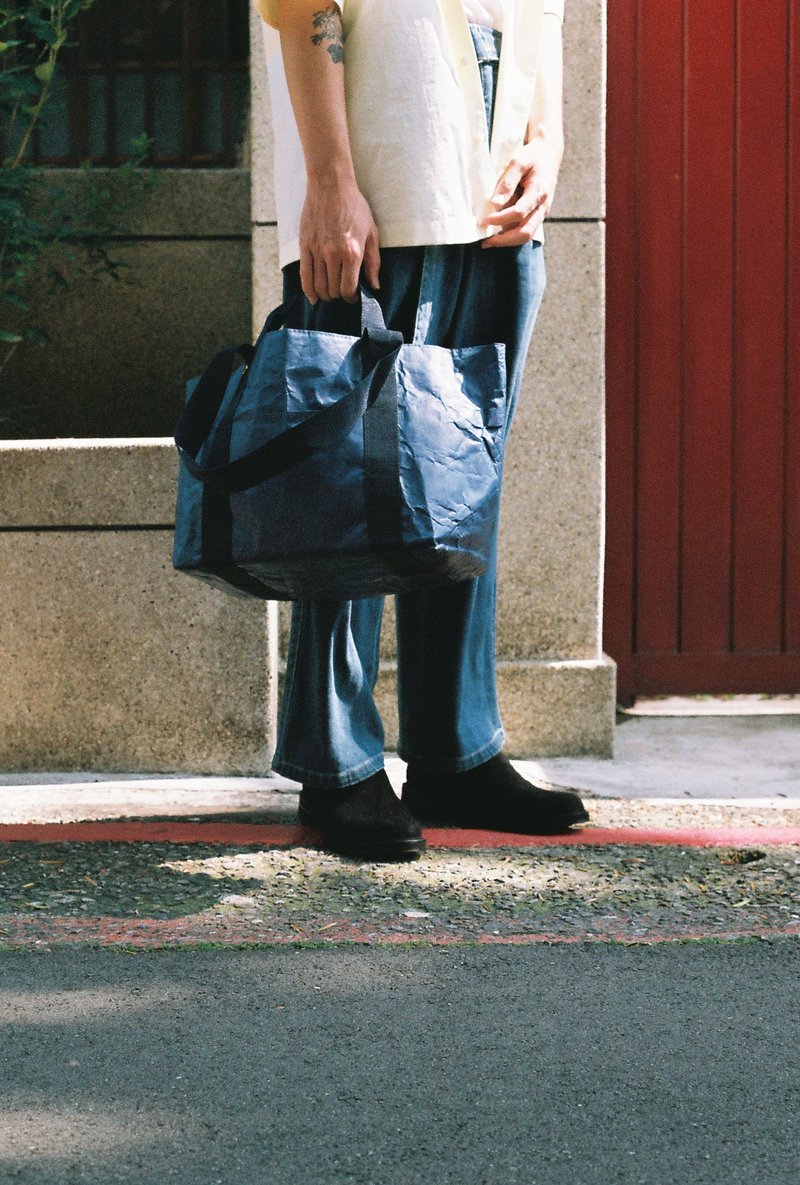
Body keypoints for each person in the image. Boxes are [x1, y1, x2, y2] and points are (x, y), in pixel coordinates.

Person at [254, 0, 590, 858]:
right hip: (382, 171)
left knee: (464, 482)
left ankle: (454, 753)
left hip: (499, 191)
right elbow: (302, 11)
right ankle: (337, 766)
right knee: (350, 485)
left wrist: (547, 140)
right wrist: (329, 181)